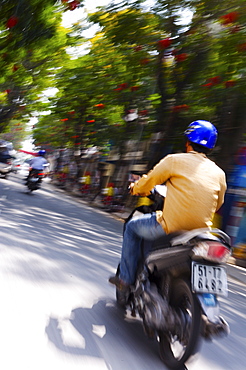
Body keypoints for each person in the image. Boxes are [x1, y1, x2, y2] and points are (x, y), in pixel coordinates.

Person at [109, 120, 227, 294]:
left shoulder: (174, 160)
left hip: (170, 226)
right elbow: (218, 203)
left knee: (132, 228)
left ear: (188, 142)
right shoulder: (219, 173)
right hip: (201, 232)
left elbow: (148, 182)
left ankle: (125, 280)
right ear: (211, 147)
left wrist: (136, 188)